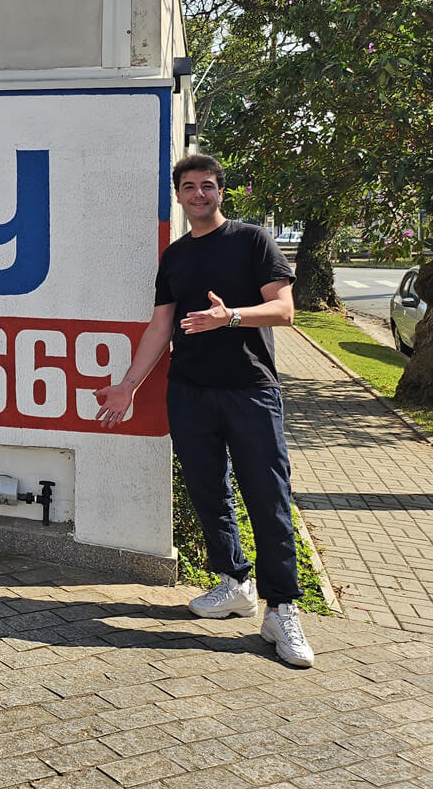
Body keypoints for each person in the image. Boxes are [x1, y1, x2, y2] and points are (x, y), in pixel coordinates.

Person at [94, 153, 314, 668]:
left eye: (208, 186)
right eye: (189, 187)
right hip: (189, 391)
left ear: (221, 191)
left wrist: (229, 317)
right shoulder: (174, 257)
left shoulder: (252, 241)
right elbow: (159, 327)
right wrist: (128, 386)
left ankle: (281, 609)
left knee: (268, 495)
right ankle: (234, 582)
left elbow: (284, 310)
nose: (199, 194)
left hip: (249, 390)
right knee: (207, 490)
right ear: (178, 195)